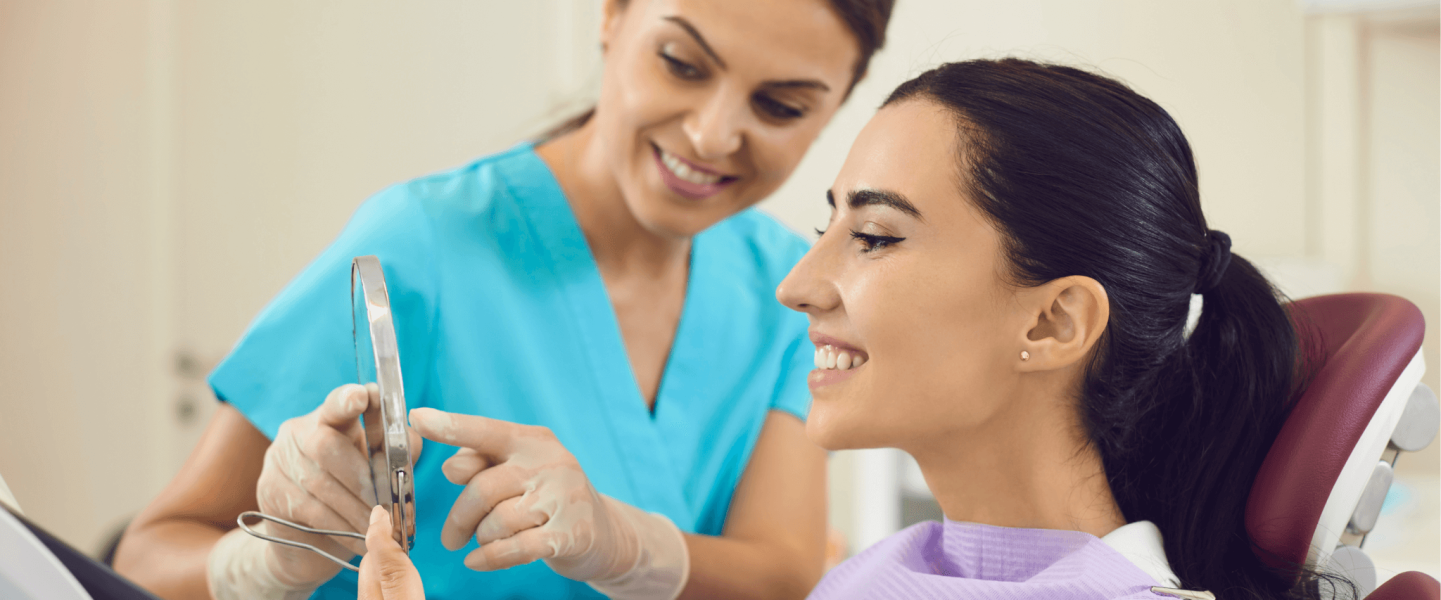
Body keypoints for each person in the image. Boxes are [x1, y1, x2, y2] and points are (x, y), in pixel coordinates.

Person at [112, 1, 895, 599]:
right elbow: (147, 556)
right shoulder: (423, 243)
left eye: (781, 106)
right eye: (682, 64)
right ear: (613, 16)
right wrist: (277, 558)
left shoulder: (788, 287)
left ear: (838, 106)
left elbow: (780, 572)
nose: (712, 133)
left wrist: (620, 542)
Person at [784, 59, 1339, 599]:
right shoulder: (878, 570)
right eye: (827, 225)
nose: (795, 286)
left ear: (1055, 322)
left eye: (875, 236)